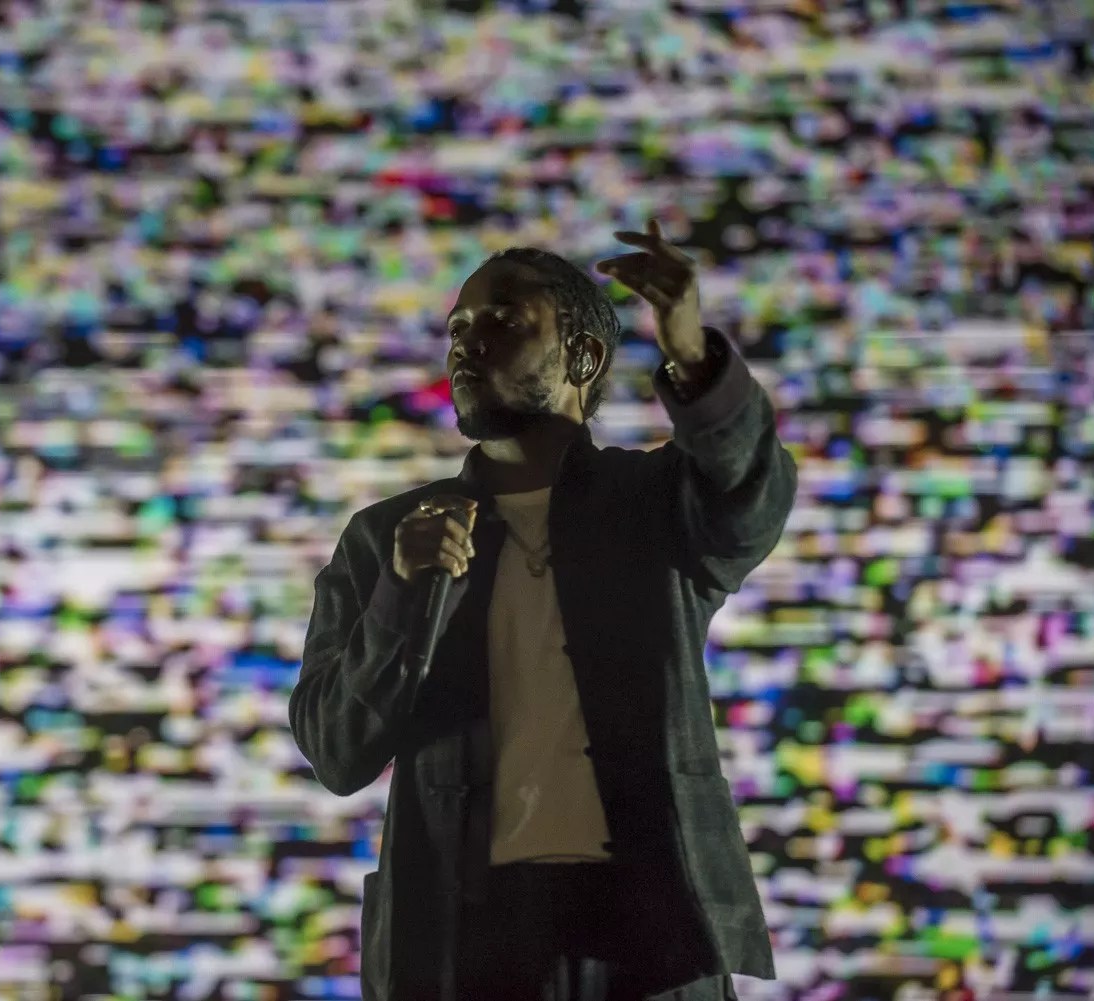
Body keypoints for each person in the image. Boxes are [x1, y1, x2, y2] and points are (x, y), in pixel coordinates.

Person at [288, 219, 797, 1001]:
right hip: (463, 940)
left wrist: (694, 356)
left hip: (649, 933)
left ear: (582, 358)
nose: (466, 344)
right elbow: (336, 750)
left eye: (502, 322)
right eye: (457, 328)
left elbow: (750, 493)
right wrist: (399, 591)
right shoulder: (386, 535)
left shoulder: (657, 504)